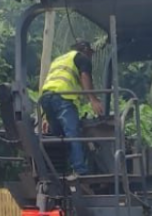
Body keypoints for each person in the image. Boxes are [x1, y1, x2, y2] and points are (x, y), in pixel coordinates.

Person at [39, 39, 104, 178]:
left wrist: (45, 116)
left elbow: (52, 83)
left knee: (59, 136)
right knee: (73, 133)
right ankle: (80, 170)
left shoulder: (59, 60)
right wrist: (93, 100)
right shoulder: (82, 58)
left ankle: (61, 170)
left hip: (46, 99)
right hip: (63, 98)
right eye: (90, 53)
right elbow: (85, 77)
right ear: (85, 49)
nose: (90, 56)